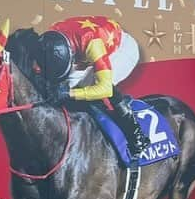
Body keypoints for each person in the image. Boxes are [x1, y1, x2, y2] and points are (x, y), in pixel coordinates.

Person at [41, 16, 151, 158]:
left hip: (120, 49)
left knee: (93, 85)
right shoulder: (49, 39)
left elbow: (105, 88)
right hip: (83, 51)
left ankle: (136, 133)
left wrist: (69, 93)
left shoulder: (93, 43)